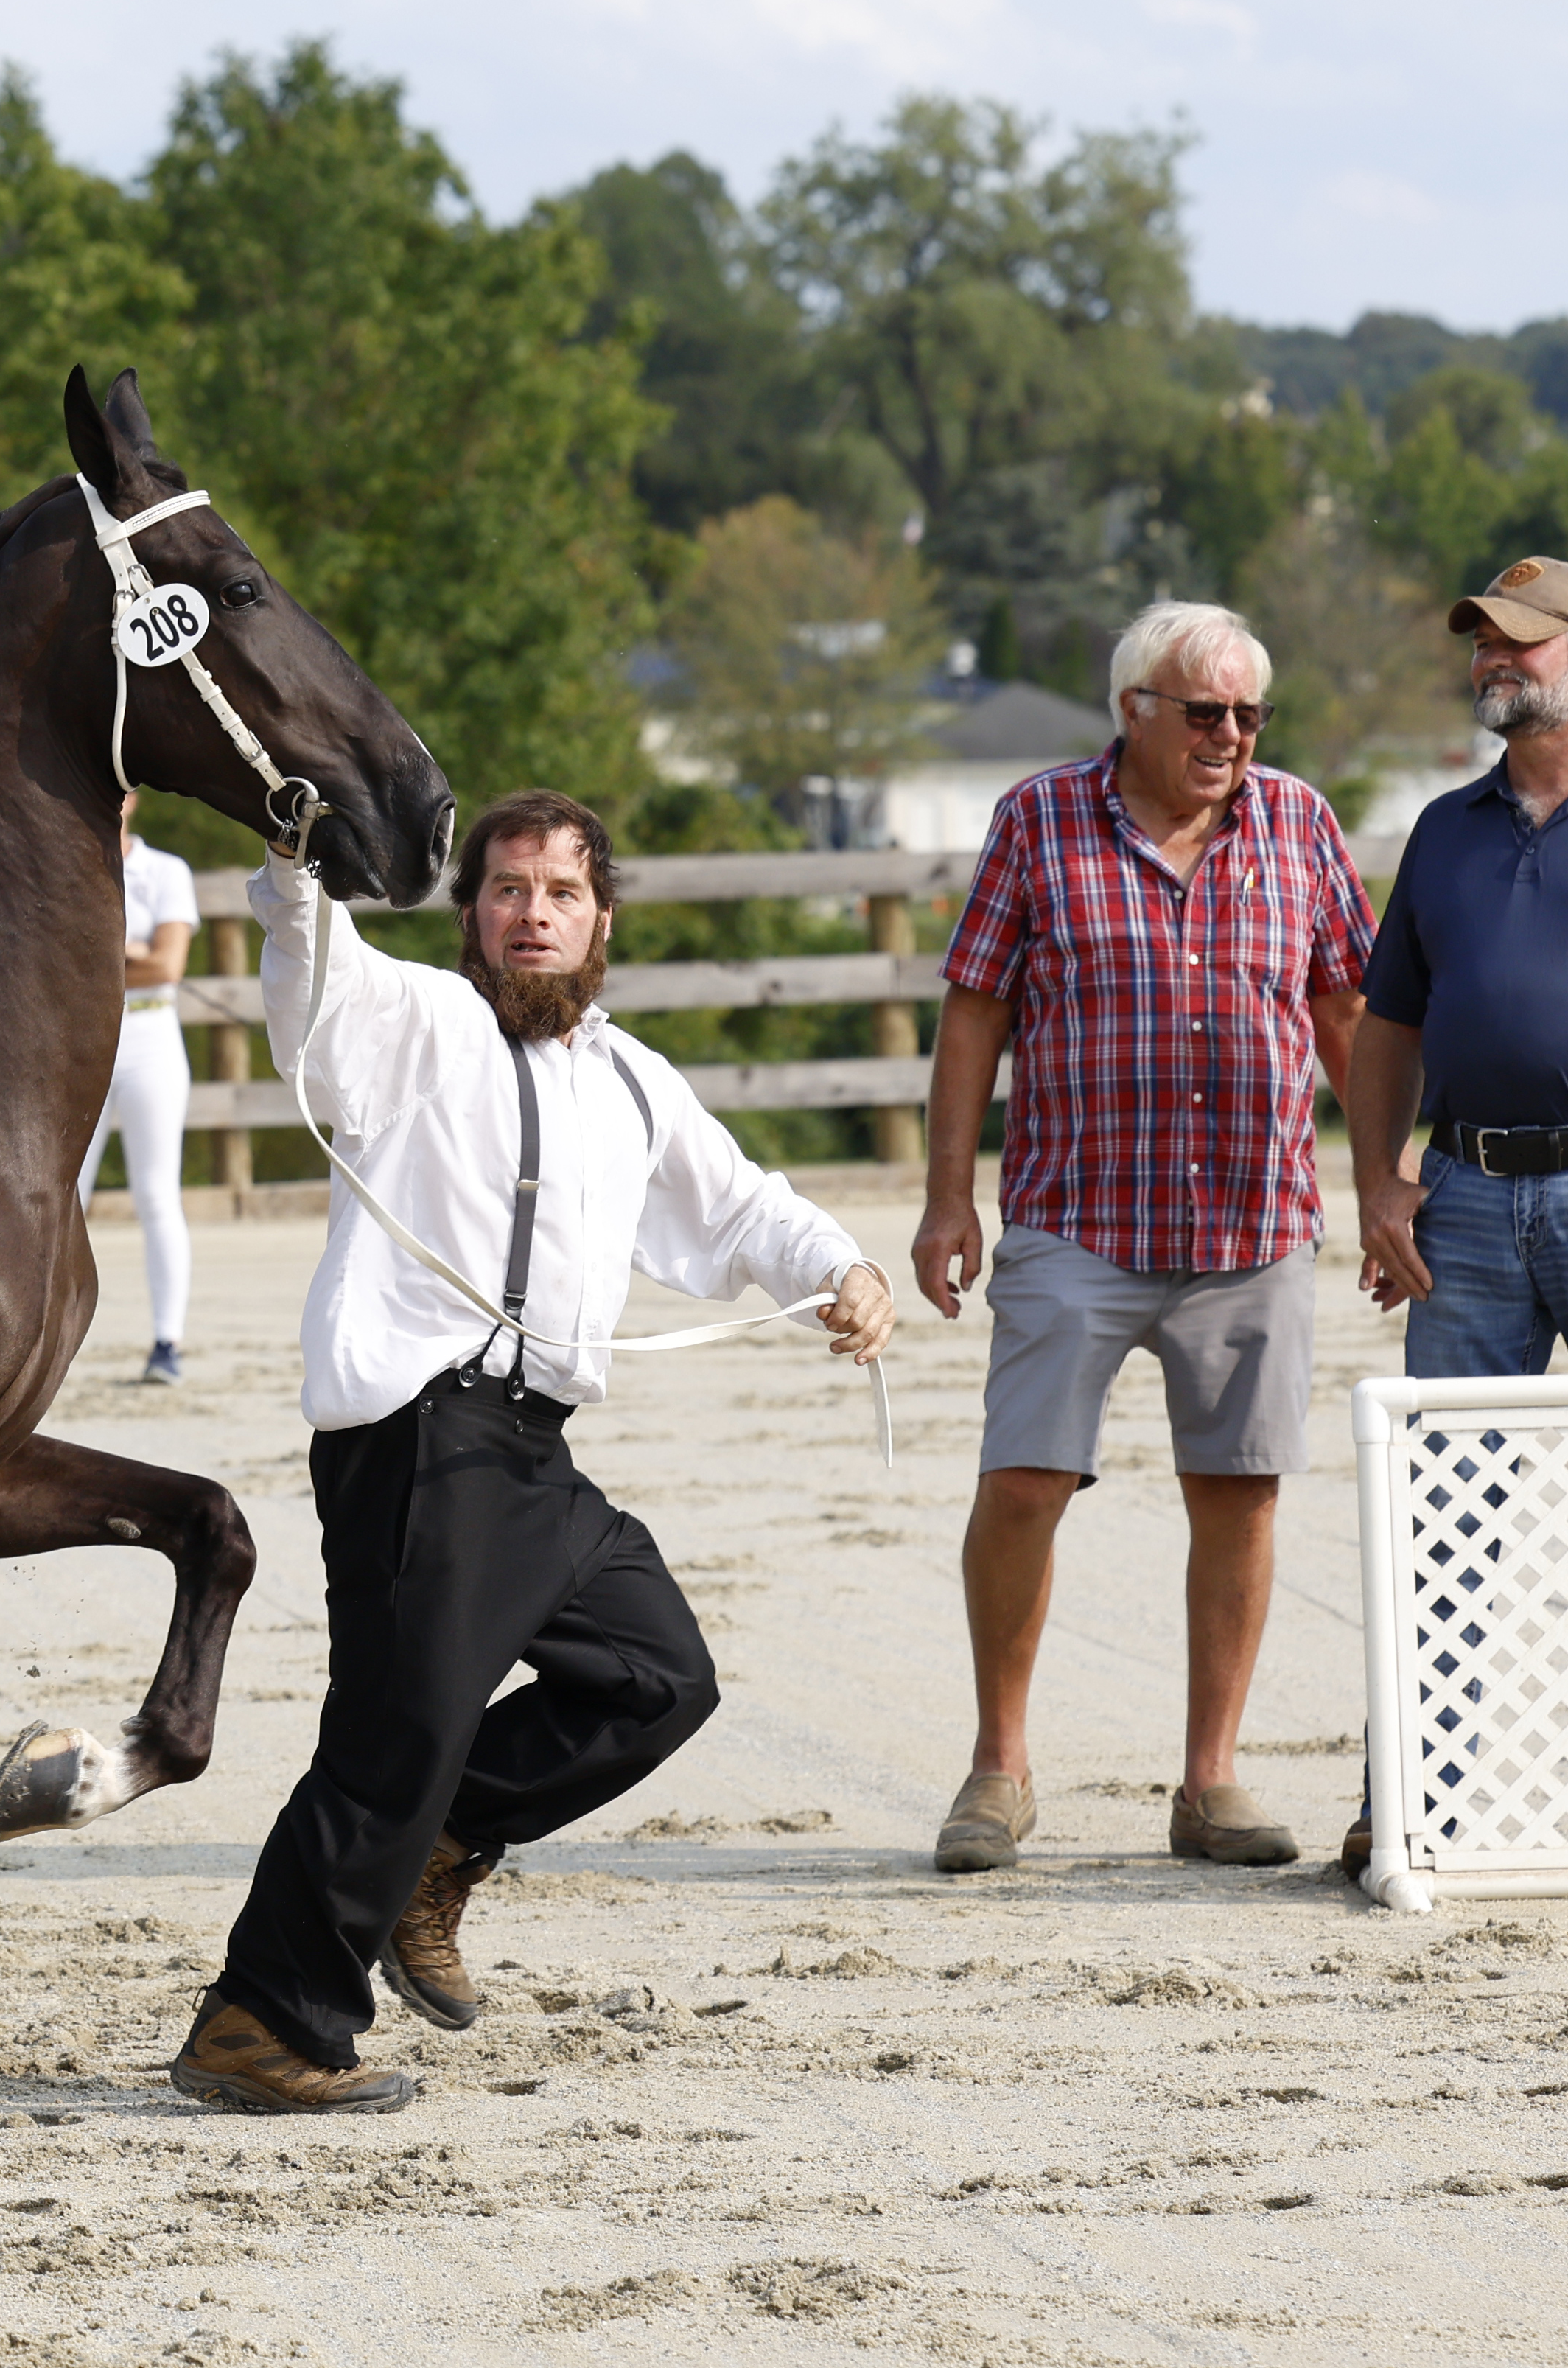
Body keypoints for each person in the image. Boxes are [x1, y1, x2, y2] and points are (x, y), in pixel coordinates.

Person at [168, 789, 892, 2113]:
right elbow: (313, 966)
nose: (533, 914)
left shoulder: (629, 1078)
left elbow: (743, 1208)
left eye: (562, 892)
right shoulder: (414, 1023)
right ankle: (260, 2023)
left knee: (656, 1675)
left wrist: (840, 1267)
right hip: (417, 1436)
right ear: (472, 913)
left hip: (532, 1450)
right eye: (508, 889)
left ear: (602, 920)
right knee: (395, 1737)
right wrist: (291, 865)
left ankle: (442, 1844)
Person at [911, 602, 1371, 1877]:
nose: (1232, 736)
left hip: (1253, 1221)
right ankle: (1000, 1766)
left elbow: (1347, 1011)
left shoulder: (1299, 821)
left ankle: (1210, 1779)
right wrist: (949, 1198)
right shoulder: (1039, 818)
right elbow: (975, 1011)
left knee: (1240, 1490)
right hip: (1077, 1213)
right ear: (1135, 710)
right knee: (1024, 1478)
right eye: (1206, 711)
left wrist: (1390, 1183)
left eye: (1249, 714)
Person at [1341, 554, 1568, 1876]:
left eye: (1522, 642)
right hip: (1467, 1197)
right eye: (1482, 641)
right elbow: (1389, 1025)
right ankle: (1409, 1802)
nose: (1494, 660)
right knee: (1445, 1517)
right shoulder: (1443, 828)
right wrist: (1378, 1182)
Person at [80, 790, 201, 1383]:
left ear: (134, 799)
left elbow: (168, 965)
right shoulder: (70, 860)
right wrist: (133, 953)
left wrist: (100, 953)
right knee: (67, 1196)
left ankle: (167, 1340)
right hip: (84, 1034)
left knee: (156, 1194)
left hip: (150, 1035)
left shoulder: (166, 871)